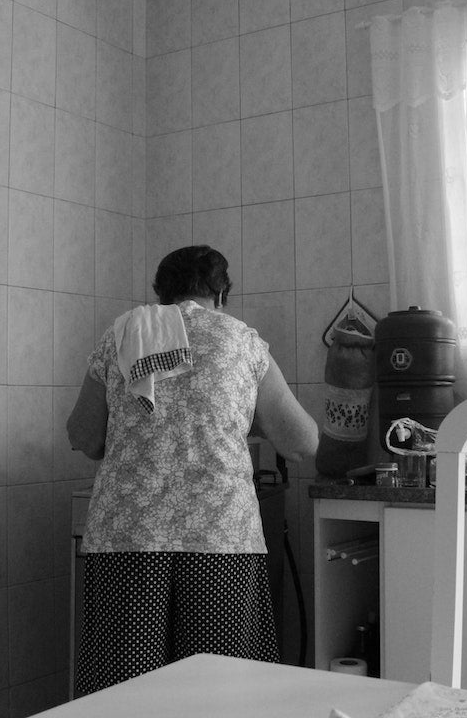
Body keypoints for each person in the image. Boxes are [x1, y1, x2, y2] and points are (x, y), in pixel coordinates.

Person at [67, 244, 319, 694]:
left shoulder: (124, 333)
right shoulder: (240, 339)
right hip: (219, 540)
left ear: (159, 294)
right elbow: (302, 443)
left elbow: (84, 437)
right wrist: (246, 415)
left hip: (129, 538)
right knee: (216, 692)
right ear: (221, 293)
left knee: (127, 695)